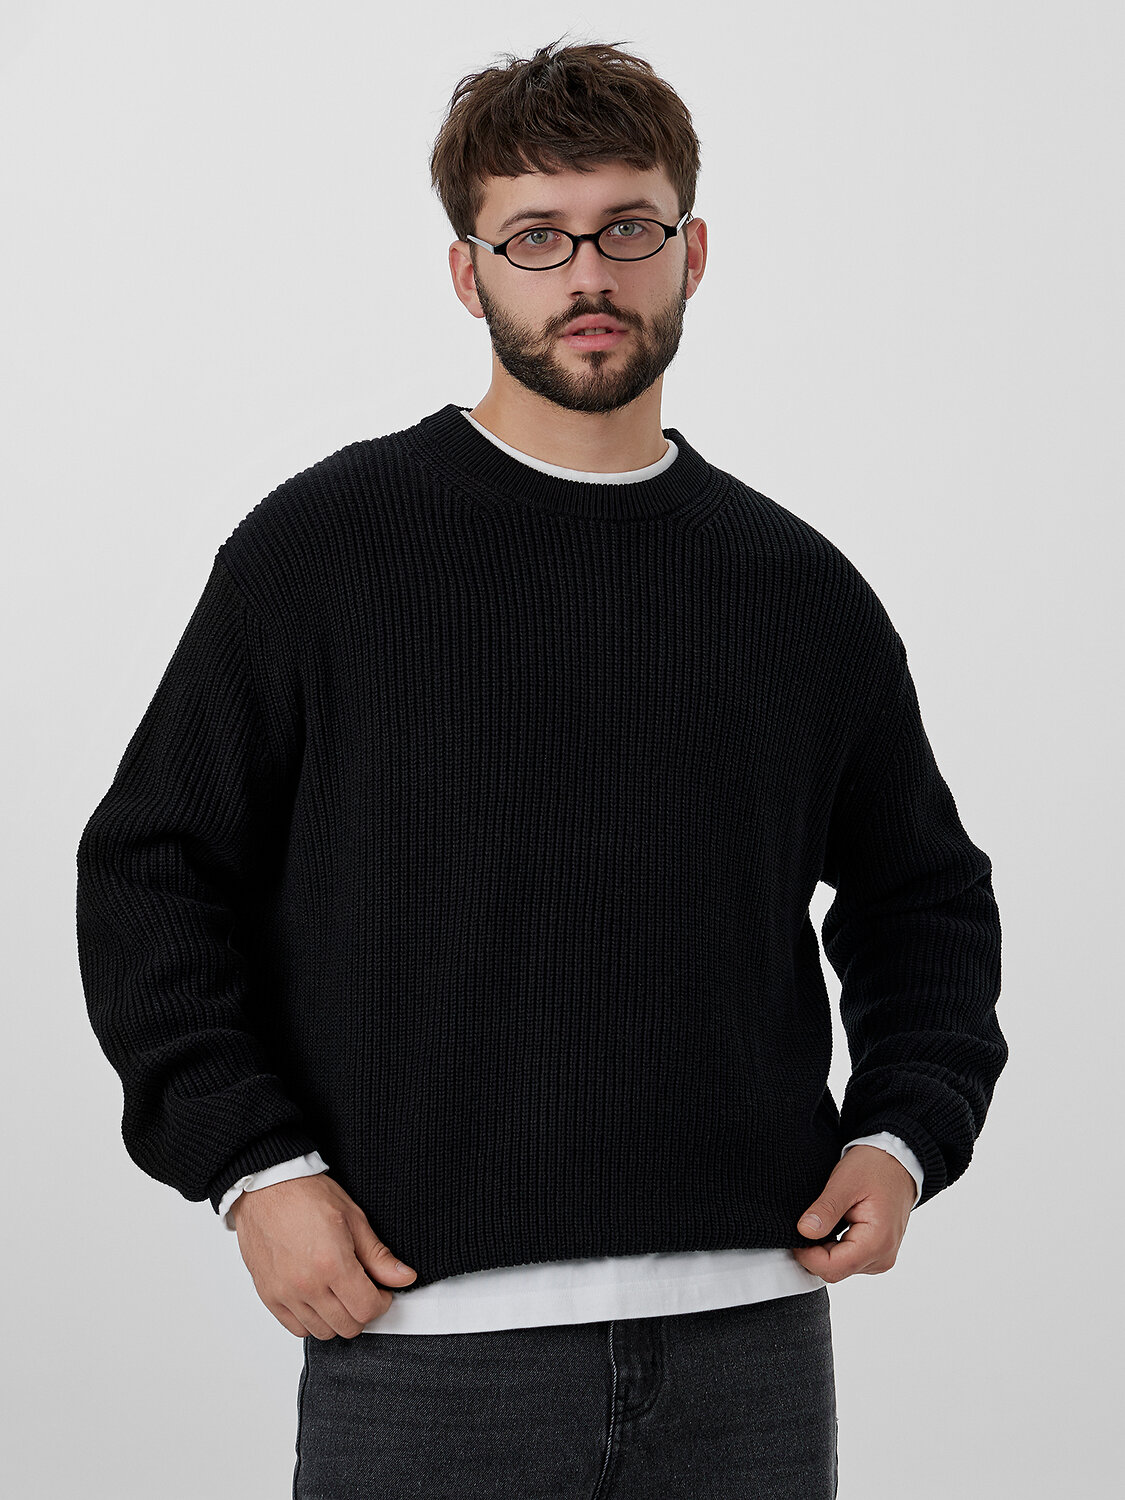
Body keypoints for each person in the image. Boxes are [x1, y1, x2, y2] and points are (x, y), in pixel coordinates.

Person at [75, 36, 1007, 1500]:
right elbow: (153, 869)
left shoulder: (794, 588)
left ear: (692, 251)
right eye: (535, 238)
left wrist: (901, 1134)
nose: (588, 274)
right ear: (469, 273)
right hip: (426, 1348)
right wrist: (253, 1167)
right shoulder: (327, 551)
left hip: (749, 1346)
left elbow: (923, 897)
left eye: (628, 229)